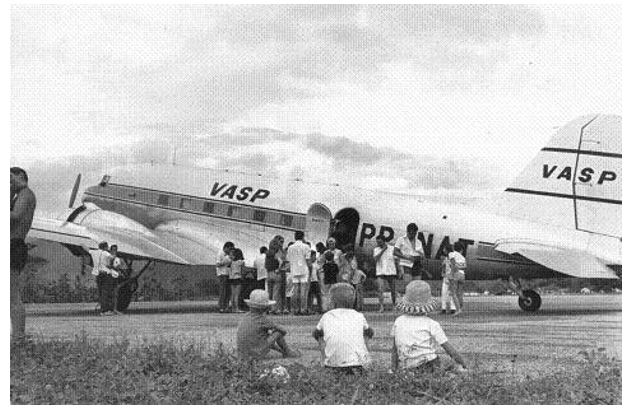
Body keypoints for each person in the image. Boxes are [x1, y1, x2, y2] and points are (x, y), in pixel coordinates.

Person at [391, 280, 467, 373]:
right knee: (448, 363)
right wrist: (463, 363)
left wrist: (393, 369)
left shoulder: (398, 321)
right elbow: (449, 349)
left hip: (407, 365)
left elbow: (394, 349)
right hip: (429, 364)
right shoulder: (431, 324)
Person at [312, 283, 373, 374]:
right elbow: (369, 333)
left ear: (332, 301)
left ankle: (324, 359)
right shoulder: (359, 315)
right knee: (365, 334)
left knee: (320, 335)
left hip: (332, 365)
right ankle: (366, 358)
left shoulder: (326, 316)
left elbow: (316, 334)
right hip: (357, 364)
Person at [236, 289, 301, 360]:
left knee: (265, 335)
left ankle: (285, 351)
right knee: (277, 333)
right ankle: (288, 352)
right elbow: (283, 331)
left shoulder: (246, 316)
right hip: (256, 353)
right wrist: (272, 334)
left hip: (243, 353)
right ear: (265, 308)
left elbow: (264, 340)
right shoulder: (262, 319)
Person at [10, 167, 36, 340]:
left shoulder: (26, 194)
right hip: (12, 245)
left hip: (13, 246)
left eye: (10, 177)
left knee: (11, 295)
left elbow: (16, 216)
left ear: (21, 175)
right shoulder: (18, 195)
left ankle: (19, 337)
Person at [83, 241, 116, 315]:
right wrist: (113, 251)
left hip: (98, 274)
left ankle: (103, 309)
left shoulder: (94, 252)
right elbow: (112, 258)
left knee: (101, 292)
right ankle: (106, 310)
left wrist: (82, 244)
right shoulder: (105, 253)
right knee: (106, 292)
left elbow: (87, 249)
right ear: (105, 247)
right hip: (106, 274)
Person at [287, 231, 312, 315]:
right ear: (303, 237)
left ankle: (294, 309)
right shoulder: (306, 247)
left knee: (295, 291)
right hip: (304, 270)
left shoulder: (290, 247)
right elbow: (308, 260)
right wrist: (310, 269)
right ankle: (303, 309)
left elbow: (288, 259)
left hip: (294, 269)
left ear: (295, 237)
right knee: (303, 291)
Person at [373, 234, 399, 313]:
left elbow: (397, 260)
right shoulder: (376, 249)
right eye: (377, 242)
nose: (378, 244)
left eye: (380, 242)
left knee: (393, 290)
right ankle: (381, 306)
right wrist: (383, 250)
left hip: (391, 271)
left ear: (384, 241)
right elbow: (375, 259)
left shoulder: (392, 248)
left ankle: (394, 305)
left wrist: (399, 270)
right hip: (380, 271)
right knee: (380, 289)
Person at [265, 235, 286, 314]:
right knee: (276, 292)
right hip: (276, 273)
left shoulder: (268, 252)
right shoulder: (278, 251)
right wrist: (279, 269)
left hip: (269, 273)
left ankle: (268, 308)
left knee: (269, 292)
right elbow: (281, 261)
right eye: (281, 242)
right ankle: (274, 309)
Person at [448, 242, 467, 316]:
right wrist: (459, 266)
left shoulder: (451, 254)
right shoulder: (462, 257)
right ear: (461, 250)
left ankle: (458, 310)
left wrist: (451, 275)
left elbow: (453, 265)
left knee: (453, 293)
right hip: (462, 274)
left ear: (454, 247)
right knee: (460, 293)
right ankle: (460, 308)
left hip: (455, 274)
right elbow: (465, 266)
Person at [216, 241, 234, 313]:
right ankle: (221, 307)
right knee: (223, 291)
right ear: (226, 248)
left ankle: (226, 306)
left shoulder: (228, 255)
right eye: (229, 249)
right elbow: (217, 264)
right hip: (222, 274)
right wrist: (226, 260)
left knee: (228, 291)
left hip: (228, 273)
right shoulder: (220, 253)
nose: (230, 250)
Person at [440, 245, 457, 314]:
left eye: (444, 249)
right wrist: (443, 272)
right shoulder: (447, 257)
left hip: (451, 277)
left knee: (447, 292)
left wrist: (451, 274)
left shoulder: (451, 256)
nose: (443, 250)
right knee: (446, 292)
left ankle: (449, 308)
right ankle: (448, 308)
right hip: (447, 277)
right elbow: (444, 266)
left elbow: (453, 266)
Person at [228, 248, 246, 313]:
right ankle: (237, 308)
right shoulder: (241, 262)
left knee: (232, 294)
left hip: (231, 278)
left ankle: (233, 308)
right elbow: (243, 271)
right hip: (238, 278)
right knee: (237, 294)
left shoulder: (231, 262)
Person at [307, 249, 323, 314]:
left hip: (315, 281)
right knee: (310, 295)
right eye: (314, 256)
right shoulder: (308, 264)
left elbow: (317, 273)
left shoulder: (316, 264)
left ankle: (320, 308)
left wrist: (319, 280)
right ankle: (309, 308)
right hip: (310, 281)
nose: (315, 257)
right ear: (310, 256)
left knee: (318, 295)